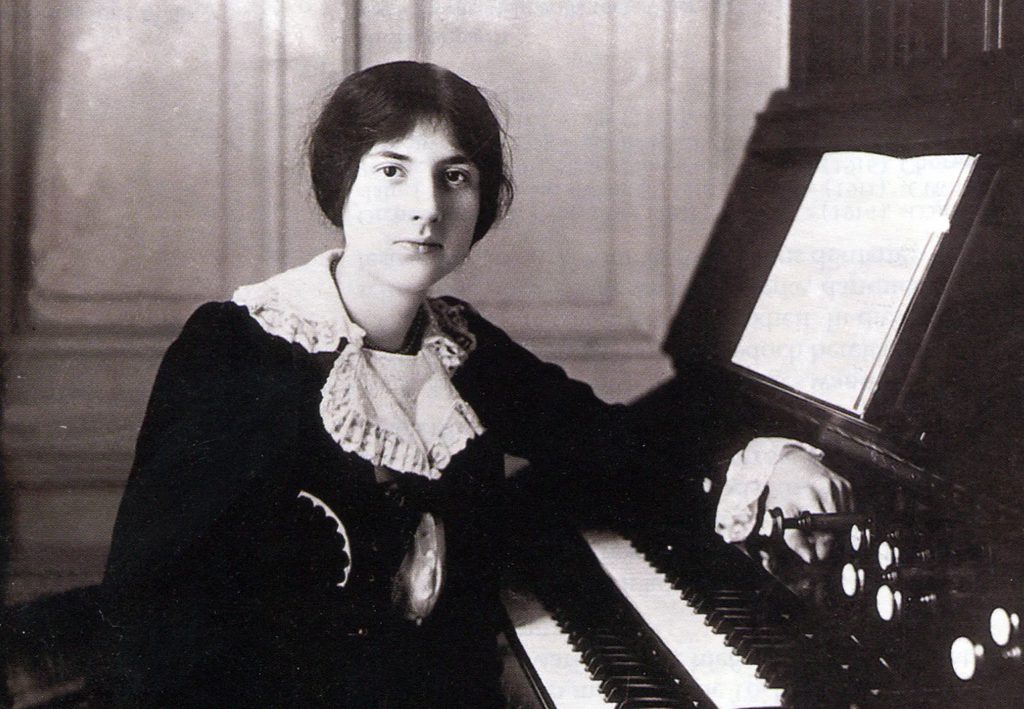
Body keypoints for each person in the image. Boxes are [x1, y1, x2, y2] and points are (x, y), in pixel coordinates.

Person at [100, 60, 851, 707]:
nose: (427, 206)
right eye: (391, 169)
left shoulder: (460, 346)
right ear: (341, 186)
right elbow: (152, 620)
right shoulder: (235, 345)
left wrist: (764, 454)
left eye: (455, 176)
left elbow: (615, 440)